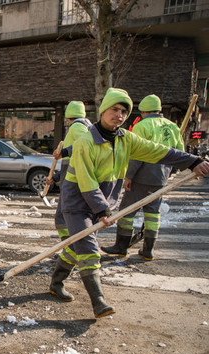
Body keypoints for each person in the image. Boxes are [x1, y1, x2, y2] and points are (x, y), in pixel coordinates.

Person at [48, 87, 209, 318]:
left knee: (75, 246)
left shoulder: (127, 139)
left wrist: (192, 161)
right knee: (89, 249)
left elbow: (159, 151)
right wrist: (102, 209)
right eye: (115, 109)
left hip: (102, 201)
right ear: (103, 110)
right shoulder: (86, 141)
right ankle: (99, 302)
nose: (120, 115)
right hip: (78, 201)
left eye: (124, 111)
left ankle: (56, 282)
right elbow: (86, 182)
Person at [100, 95, 184, 261]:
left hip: (141, 176)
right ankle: (148, 250)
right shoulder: (172, 126)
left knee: (127, 211)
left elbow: (136, 155)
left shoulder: (142, 126)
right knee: (153, 214)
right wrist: (171, 171)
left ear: (143, 111)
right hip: (161, 178)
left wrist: (129, 176)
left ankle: (121, 246)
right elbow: (179, 152)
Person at [46, 101, 92, 241]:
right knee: (71, 217)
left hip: (72, 183)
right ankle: (72, 248)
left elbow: (85, 145)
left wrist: (65, 151)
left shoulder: (77, 127)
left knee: (62, 218)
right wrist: (56, 176)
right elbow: (73, 161)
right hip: (76, 179)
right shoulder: (87, 126)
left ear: (68, 117)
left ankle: (70, 248)